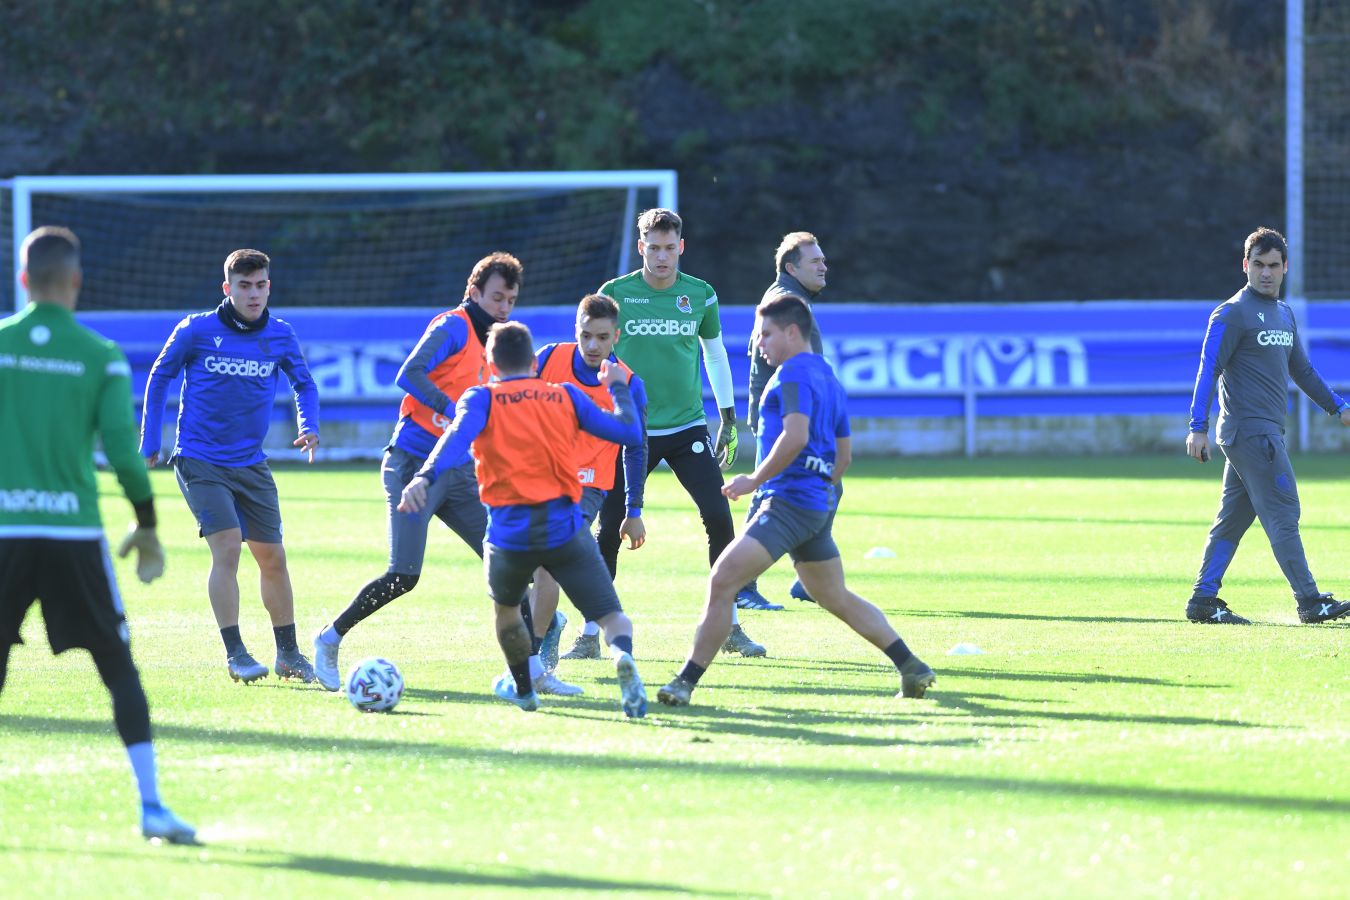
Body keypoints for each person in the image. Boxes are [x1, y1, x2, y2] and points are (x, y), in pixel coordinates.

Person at [1, 226, 195, 843]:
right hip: (71, 535)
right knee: (117, 666)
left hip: (5, 532)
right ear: (77, 280)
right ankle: (152, 807)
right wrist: (147, 523)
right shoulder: (99, 354)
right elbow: (125, 453)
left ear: (25, 280)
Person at [657, 294, 935, 707]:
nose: (759, 344)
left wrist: (755, 479)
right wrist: (818, 489)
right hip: (814, 503)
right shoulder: (829, 377)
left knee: (722, 580)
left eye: (766, 334)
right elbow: (844, 457)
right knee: (833, 596)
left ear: (792, 331)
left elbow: (795, 435)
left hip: (787, 503)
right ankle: (910, 665)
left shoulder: (793, 376)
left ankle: (684, 682)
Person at [309, 253, 567, 694]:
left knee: (510, 564)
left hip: (460, 471)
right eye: (496, 298)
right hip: (410, 464)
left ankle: (535, 673)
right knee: (404, 575)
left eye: (511, 300)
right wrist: (454, 411)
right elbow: (408, 374)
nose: (504, 308)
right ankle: (329, 638)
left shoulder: (500, 342)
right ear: (473, 293)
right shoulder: (453, 326)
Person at [399, 322, 648, 717]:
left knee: (508, 611)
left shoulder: (480, 398)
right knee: (611, 616)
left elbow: (455, 440)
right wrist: (617, 386)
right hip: (565, 524)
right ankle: (622, 658)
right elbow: (629, 432)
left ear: (489, 362)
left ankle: (523, 687)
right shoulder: (565, 394)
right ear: (534, 362)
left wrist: (424, 477)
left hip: (509, 533)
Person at [572, 207, 766, 661]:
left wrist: (729, 416)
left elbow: (714, 355)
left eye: (669, 247)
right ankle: (586, 634)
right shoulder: (615, 293)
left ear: (682, 246)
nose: (662, 256)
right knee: (607, 530)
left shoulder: (700, 294)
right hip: (627, 430)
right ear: (641, 247)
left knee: (719, 515)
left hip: (686, 427)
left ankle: (731, 626)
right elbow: (592, 356)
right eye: (653, 247)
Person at [140, 249, 319, 683]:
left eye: (260, 285)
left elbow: (304, 384)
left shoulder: (279, 334)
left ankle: (289, 655)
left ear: (268, 286)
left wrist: (309, 425)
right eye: (244, 286)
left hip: (251, 463)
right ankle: (236, 653)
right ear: (228, 288)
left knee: (273, 557)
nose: (253, 294)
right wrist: (150, 439)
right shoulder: (196, 329)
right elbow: (159, 376)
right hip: (199, 458)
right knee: (228, 547)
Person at [1185, 226, 1350, 625]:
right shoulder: (1232, 313)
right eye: (1258, 264)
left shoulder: (1284, 314)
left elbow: (1304, 371)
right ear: (1245, 265)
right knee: (1284, 512)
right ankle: (1310, 601)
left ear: (1285, 267)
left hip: (1261, 434)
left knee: (1232, 520)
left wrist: (1339, 407)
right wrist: (1197, 425)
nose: (1265, 273)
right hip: (1251, 433)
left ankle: (1203, 601)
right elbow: (1208, 369)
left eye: (1273, 265)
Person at [528, 294, 649, 676]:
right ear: (575, 332)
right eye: (586, 336)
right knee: (519, 568)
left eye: (602, 337)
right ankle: (550, 629)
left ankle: (529, 665)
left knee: (548, 567)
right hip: (535, 479)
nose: (593, 346)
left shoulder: (628, 382)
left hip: (585, 488)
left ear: (616, 336)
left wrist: (633, 511)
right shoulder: (548, 359)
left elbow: (635, 448)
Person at [738, 231, 830, 611]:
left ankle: (809, 579)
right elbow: (780, 357)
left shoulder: (792, 298)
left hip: (788, 408)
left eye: (823, 259)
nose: (824, 266)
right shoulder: (785, 301)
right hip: (783, 411)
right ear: (792, 267)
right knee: (769, 494)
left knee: (826, 486)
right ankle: (742, 584)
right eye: (815, 261)